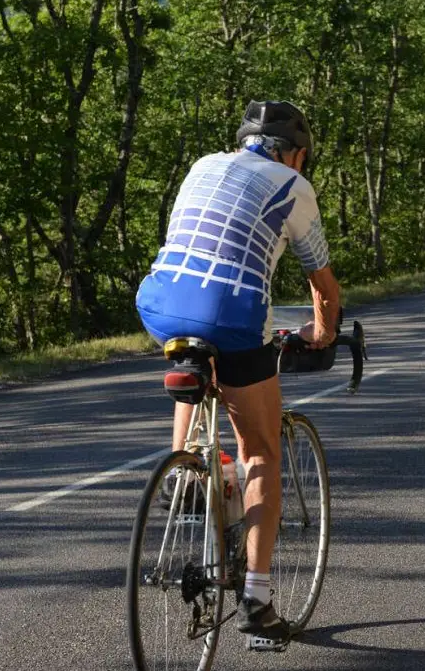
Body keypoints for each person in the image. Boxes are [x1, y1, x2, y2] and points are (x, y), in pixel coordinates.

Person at [135, 100, 341, 645]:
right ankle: (256, 599)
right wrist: (321, 334)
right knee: (261, 451)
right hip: (233, 311)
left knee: (195, 356)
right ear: (295, 153)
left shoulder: (202, 164)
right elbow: (322, 285)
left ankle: (186, 471)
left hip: (159, 304)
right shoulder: (292, 185)